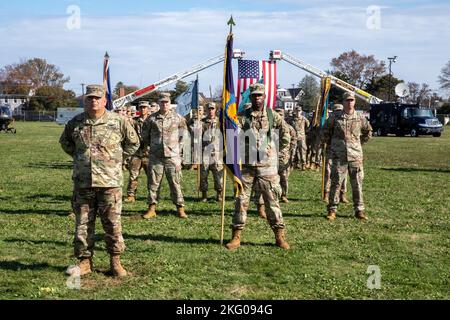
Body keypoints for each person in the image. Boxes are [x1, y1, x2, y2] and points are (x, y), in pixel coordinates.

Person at [60, 85, 139, 277]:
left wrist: (116, 159)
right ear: (85, 101)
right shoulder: (75, 122)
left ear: (104, 101)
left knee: (112, 223)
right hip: (83, 182)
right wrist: (81, 158)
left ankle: (115, 261)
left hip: (109, 183)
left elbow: (133, 143)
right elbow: (66, 143)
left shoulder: (118, 121)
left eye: (97, 98)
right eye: (90, 98)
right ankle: (85, 262)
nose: (93, 101)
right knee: (83, 224)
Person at [226, 83, 291, 250]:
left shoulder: (272, 116)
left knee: (272, 201)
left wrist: (282, 154)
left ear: (264, 97)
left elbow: (286, 133)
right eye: (254, 95)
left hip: (267, 166)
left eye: (260, 95)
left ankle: (279, 236)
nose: (257, 98)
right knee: (241, 201)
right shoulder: (242, 116)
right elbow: (232, 133)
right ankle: (236, 236)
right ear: (251, 97)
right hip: (247, 166)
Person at [321, 92, 372, 221]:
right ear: (343, 102)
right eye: (347, 100)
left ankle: (359, 210)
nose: (349, 103)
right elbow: (325, 131)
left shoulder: (360, 117)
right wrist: (332, 145)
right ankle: (332, 209)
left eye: (352, 100)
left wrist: (359, 144)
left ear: (354, 102)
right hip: (339, 156)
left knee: (357, 184)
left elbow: (368, 131)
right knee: (336, 183)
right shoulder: (335, 117)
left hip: (355, 156)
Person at [141, 92, 188, 219]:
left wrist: (180, 153)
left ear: (169, 103)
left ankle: (180, 208)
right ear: (159, 103)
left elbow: (184, 135)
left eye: (166, 102)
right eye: (162, 102)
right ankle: (151, 208)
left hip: (172, 156)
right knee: (153, 183)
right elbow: (144, 135)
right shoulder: (151, 119)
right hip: (156, 156)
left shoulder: (178, 118)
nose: (164, 104)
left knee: (175, 183)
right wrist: (148, 148)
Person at [124, 101, 151, 203]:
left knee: (151, 176)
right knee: (133, 175)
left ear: (148, 109)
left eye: (144, 107)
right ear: (138, 109)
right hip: (136, 153)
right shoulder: (134, 121)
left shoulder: (151, 120)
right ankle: (131, 195)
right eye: (141, 108)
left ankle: (152, 195)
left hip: (149, 153)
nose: (143, 109)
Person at [323, 103, 348, 204]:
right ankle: (326, 192)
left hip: (343, 151)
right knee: (328, 172)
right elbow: (324, 134)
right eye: (336, 110)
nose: (338, 112)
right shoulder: (329, 121)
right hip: (330, 150)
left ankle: (343, 194)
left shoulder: (345, 121)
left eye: (340, 110)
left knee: (344, 173)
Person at [200, 102, 224, 202]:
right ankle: (204, 195)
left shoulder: (221, 122)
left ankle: (219, 194)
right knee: (203, 175)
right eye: (209, 109)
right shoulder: (202, 122)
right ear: (206, 110)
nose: (211, 111)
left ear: (215, 110)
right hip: (205, 153)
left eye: (212, 109)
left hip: (217, 153)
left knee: (218, 175)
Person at [274, 107, 297, 203]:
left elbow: (294, 139)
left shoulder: (289, 127)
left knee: (284, 177)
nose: (279, 116)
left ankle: (284, 195)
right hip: (271, 156)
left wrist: (288, 150)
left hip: (284, 156)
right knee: (272, 178)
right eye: (277, 114)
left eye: (281, 115)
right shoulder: (271, 127)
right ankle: (273, 196)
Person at [288, 106, 310, 170]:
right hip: (293, 138)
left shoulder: (304, 119)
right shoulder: (291, 119)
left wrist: (304, 133)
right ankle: (291, 165)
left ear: (301, 111)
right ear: (295, 111)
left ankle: (303, 164)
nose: (298, 112)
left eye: (299, 111)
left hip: (301, 138)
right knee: (292, 152)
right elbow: (287, 126)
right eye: (297, 111)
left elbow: (308, 126)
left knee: (302, 151)